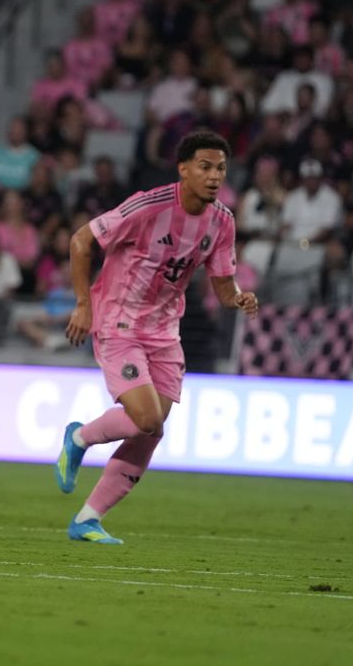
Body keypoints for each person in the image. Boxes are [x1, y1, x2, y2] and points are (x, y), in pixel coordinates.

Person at [56, 131, 259, 545]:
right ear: (183, 169)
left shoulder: (222, 222)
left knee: (152, 429)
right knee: (147, 418)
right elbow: (81, 240)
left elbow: (222, 288)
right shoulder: (148, 206)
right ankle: (79, 437)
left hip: (165, 331)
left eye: (220, 168)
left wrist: (239, 298)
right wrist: (83, 304)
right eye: (205, 166)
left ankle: (88, 519)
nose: (214, 176)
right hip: (119, 321)